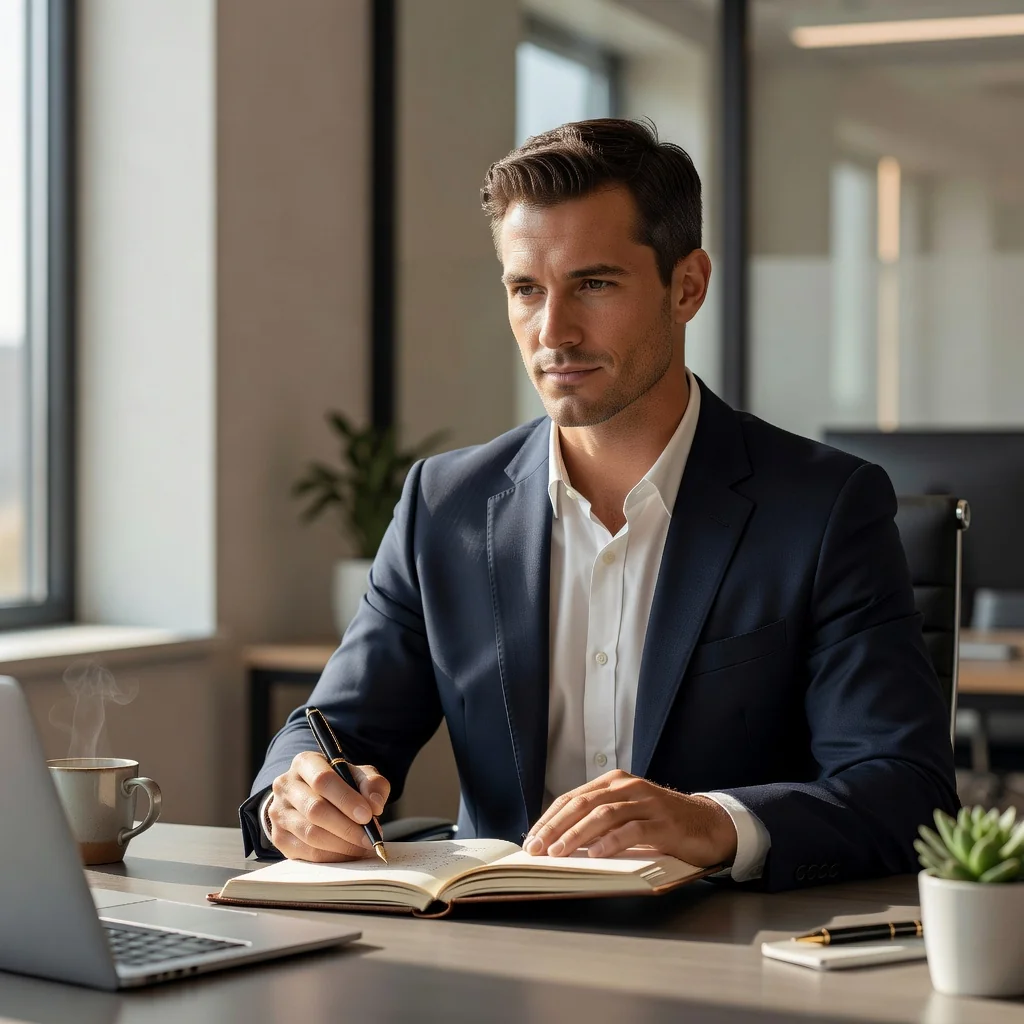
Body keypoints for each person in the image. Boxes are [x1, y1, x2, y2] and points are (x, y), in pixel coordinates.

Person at [240, 119, 958, 891]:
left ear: (687, 286)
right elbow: (328, 731)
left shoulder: (823, 507)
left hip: (725, 959)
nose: (555, 332)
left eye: (594, 284)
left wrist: (711, 822)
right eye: (526, 290)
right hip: (486, 949)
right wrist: (297, 796)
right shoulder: (443, 507)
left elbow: (904, 790)